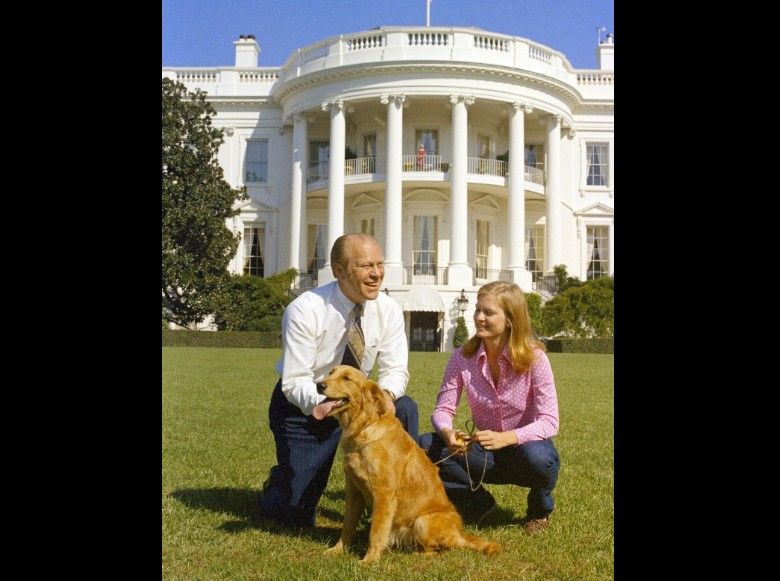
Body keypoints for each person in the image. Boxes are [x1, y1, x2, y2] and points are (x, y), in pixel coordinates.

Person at [259, 233, 419, 528]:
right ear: (339, 271)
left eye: (379, 264)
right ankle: (280, 484)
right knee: (294, 513)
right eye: (364, 266)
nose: (376, 274)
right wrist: (327, 404)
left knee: (405, 408)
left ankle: (391, 503)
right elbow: (295, 381)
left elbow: (396, 369)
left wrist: (386, 395)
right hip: (306, 404)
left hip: (356, 402)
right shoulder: (305, 310)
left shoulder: (389, 309)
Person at [418, 281, 560, 534]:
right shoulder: (462, 357)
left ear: (510, 320)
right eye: (477, 310)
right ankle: (478, 502)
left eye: (488, 313)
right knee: (426, 445)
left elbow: (550, 421)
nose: (479, 318)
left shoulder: (535, 358)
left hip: (524, 452)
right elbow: (443, 409)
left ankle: (539, 512)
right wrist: (448, 432)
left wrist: (508, 437)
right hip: (486, 456)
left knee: (541, 458)